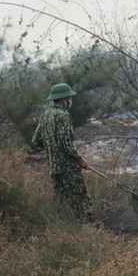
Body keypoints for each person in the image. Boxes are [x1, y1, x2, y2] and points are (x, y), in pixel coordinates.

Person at [31, 83, 92, 222]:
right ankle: (82, 230)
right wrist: (79, 159)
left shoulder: (45, 115)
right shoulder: (62, 115)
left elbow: (35, 140)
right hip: (68, 167)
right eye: (69, 98)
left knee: (61, 200)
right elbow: (65, 143)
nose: (71, 100)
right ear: (64, 99)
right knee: (80, 200)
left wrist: (50, 147)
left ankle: (60, 226)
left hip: (54, 167)